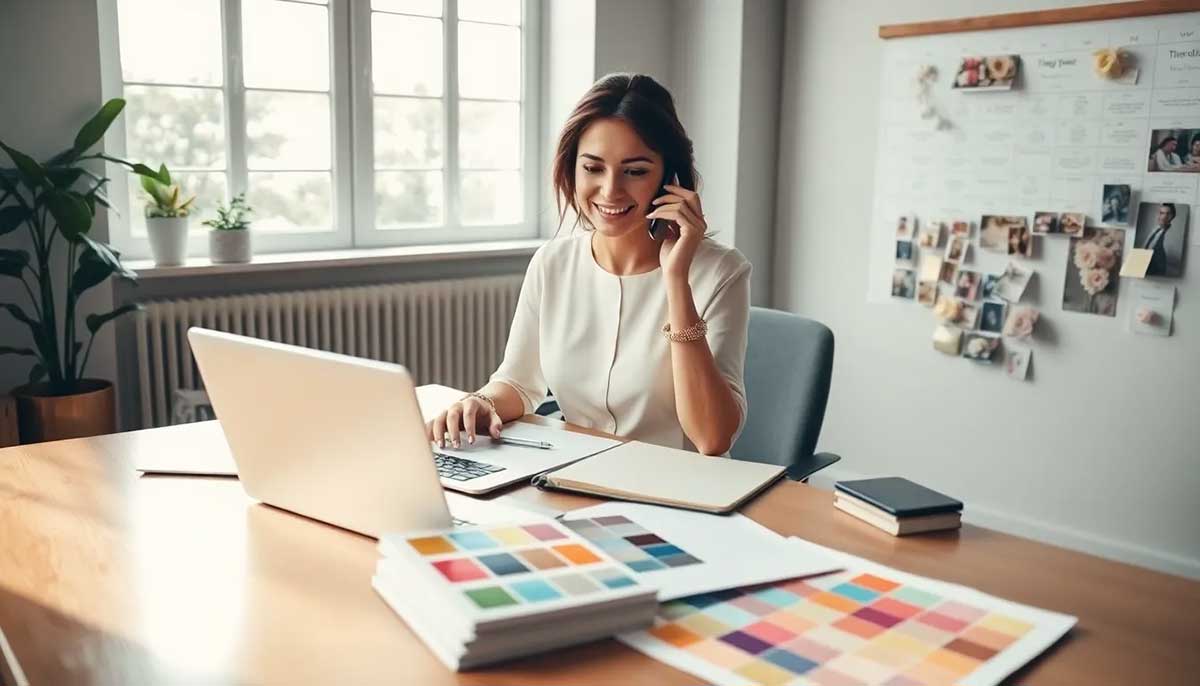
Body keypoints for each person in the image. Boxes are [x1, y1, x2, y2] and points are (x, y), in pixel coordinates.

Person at [426, 73, 751, 456]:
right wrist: (483, 402)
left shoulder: (721, 273)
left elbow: (711, 439)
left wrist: (677, 279)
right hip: (576, 481)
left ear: (669, 177)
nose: (610, 190)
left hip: (683, 495)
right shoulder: (553, 263)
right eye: (593, 168)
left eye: (636, 170)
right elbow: (517, 382)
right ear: (572, 170)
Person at [1140, 203, 1177, 276]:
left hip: (1156, 271)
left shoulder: (1170, 235)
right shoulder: (1155, 229)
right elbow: (1144, 247)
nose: (1164, 217)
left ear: (1172, 216)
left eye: (1168, 214)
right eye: (1161, 213)